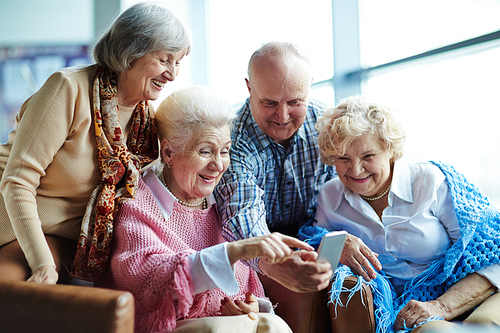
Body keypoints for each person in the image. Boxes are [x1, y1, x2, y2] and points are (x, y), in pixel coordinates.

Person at [0, 2, 191, 284]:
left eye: (178, 62)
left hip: (65, 242)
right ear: (131, 51)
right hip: (12, 225)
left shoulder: (146, 121)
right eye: (164, 60)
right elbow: (16, 182)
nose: (172, 74)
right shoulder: (69, 88)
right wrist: (43, 266)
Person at [97, 86, 310, 333]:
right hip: (165, 328)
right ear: (168, 152)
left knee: (271, 323)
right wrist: (233, 251)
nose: (218, 165)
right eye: (205, 151)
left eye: (225, 151)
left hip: (224, 326)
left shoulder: (222, 204)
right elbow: (151, 280)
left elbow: (248, 285)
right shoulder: (137, 204)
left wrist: (250, 307)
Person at [301, 95, 500, 332]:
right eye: (343, 158)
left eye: (368, 156)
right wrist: (334, 245)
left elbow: (493, 252)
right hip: (402, 312)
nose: (355, 169)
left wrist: (441, 306)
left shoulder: (431, 180)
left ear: (390, 149)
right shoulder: (329, 196)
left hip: (474, 294)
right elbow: (315, 255)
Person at [214, 41, 335, 293]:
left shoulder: (327, 126)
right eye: (269, 103)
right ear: (249, 87)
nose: (282, 116)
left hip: (316, 240)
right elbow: (241, 213)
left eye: (295, 102)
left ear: (310, 85)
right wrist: (274, 262)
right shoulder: (230, 140)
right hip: (257, 258)